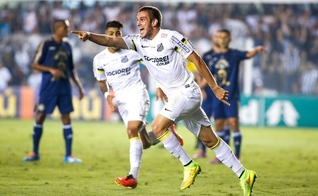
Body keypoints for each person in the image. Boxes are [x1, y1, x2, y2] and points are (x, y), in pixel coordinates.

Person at [72, 6, 257, 195]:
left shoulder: (171, 37)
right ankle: (244, 174)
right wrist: (88, 35)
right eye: (137, 19)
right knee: (210, 140)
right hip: (178, 97)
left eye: (143, 19)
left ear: (154, 22)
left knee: (159, 127)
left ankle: (189, 165)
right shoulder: (137, 42)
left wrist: (214, 86)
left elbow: (197, 60)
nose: (138, 23)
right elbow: (109, 40)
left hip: (187, 92)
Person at [92, 20, 183, 189]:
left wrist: (158, 85)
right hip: (121, 101)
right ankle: (167, 131)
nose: (114, 37)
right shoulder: (99, 59)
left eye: (118, 33)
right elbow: (101, 80)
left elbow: (154, 64)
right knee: (145, 143)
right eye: (110, 34)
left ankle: (132, 176)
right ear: (105, 35)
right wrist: (107, 95)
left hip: (137, 95)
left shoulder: (132, 50)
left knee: (131, 130)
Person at [23, 19, 85, 163]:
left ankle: (69, 155)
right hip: (48, 88)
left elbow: (71, 70)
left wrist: (79, 87)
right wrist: (50, 70)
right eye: (66, 27)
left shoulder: (68, 46)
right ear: (57, 29)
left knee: (66, 118)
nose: (68, 30)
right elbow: (34, 64)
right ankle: (34, 152)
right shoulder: (46, 44)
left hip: (64, 88)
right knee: (40, 117)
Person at [202, 29, 266, 164]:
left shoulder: (234, 54)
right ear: (216, 39)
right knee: (218, 124)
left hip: (231, 94)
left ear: (229, 39)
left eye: (224, 37)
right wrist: (200, 88)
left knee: (233, 123)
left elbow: (248, 54)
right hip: (217, 96)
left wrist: (257, 49)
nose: (222, 39)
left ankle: (236, 155)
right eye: (219, 37)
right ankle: (221, 155)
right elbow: (208, 76)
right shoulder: (212, 57)